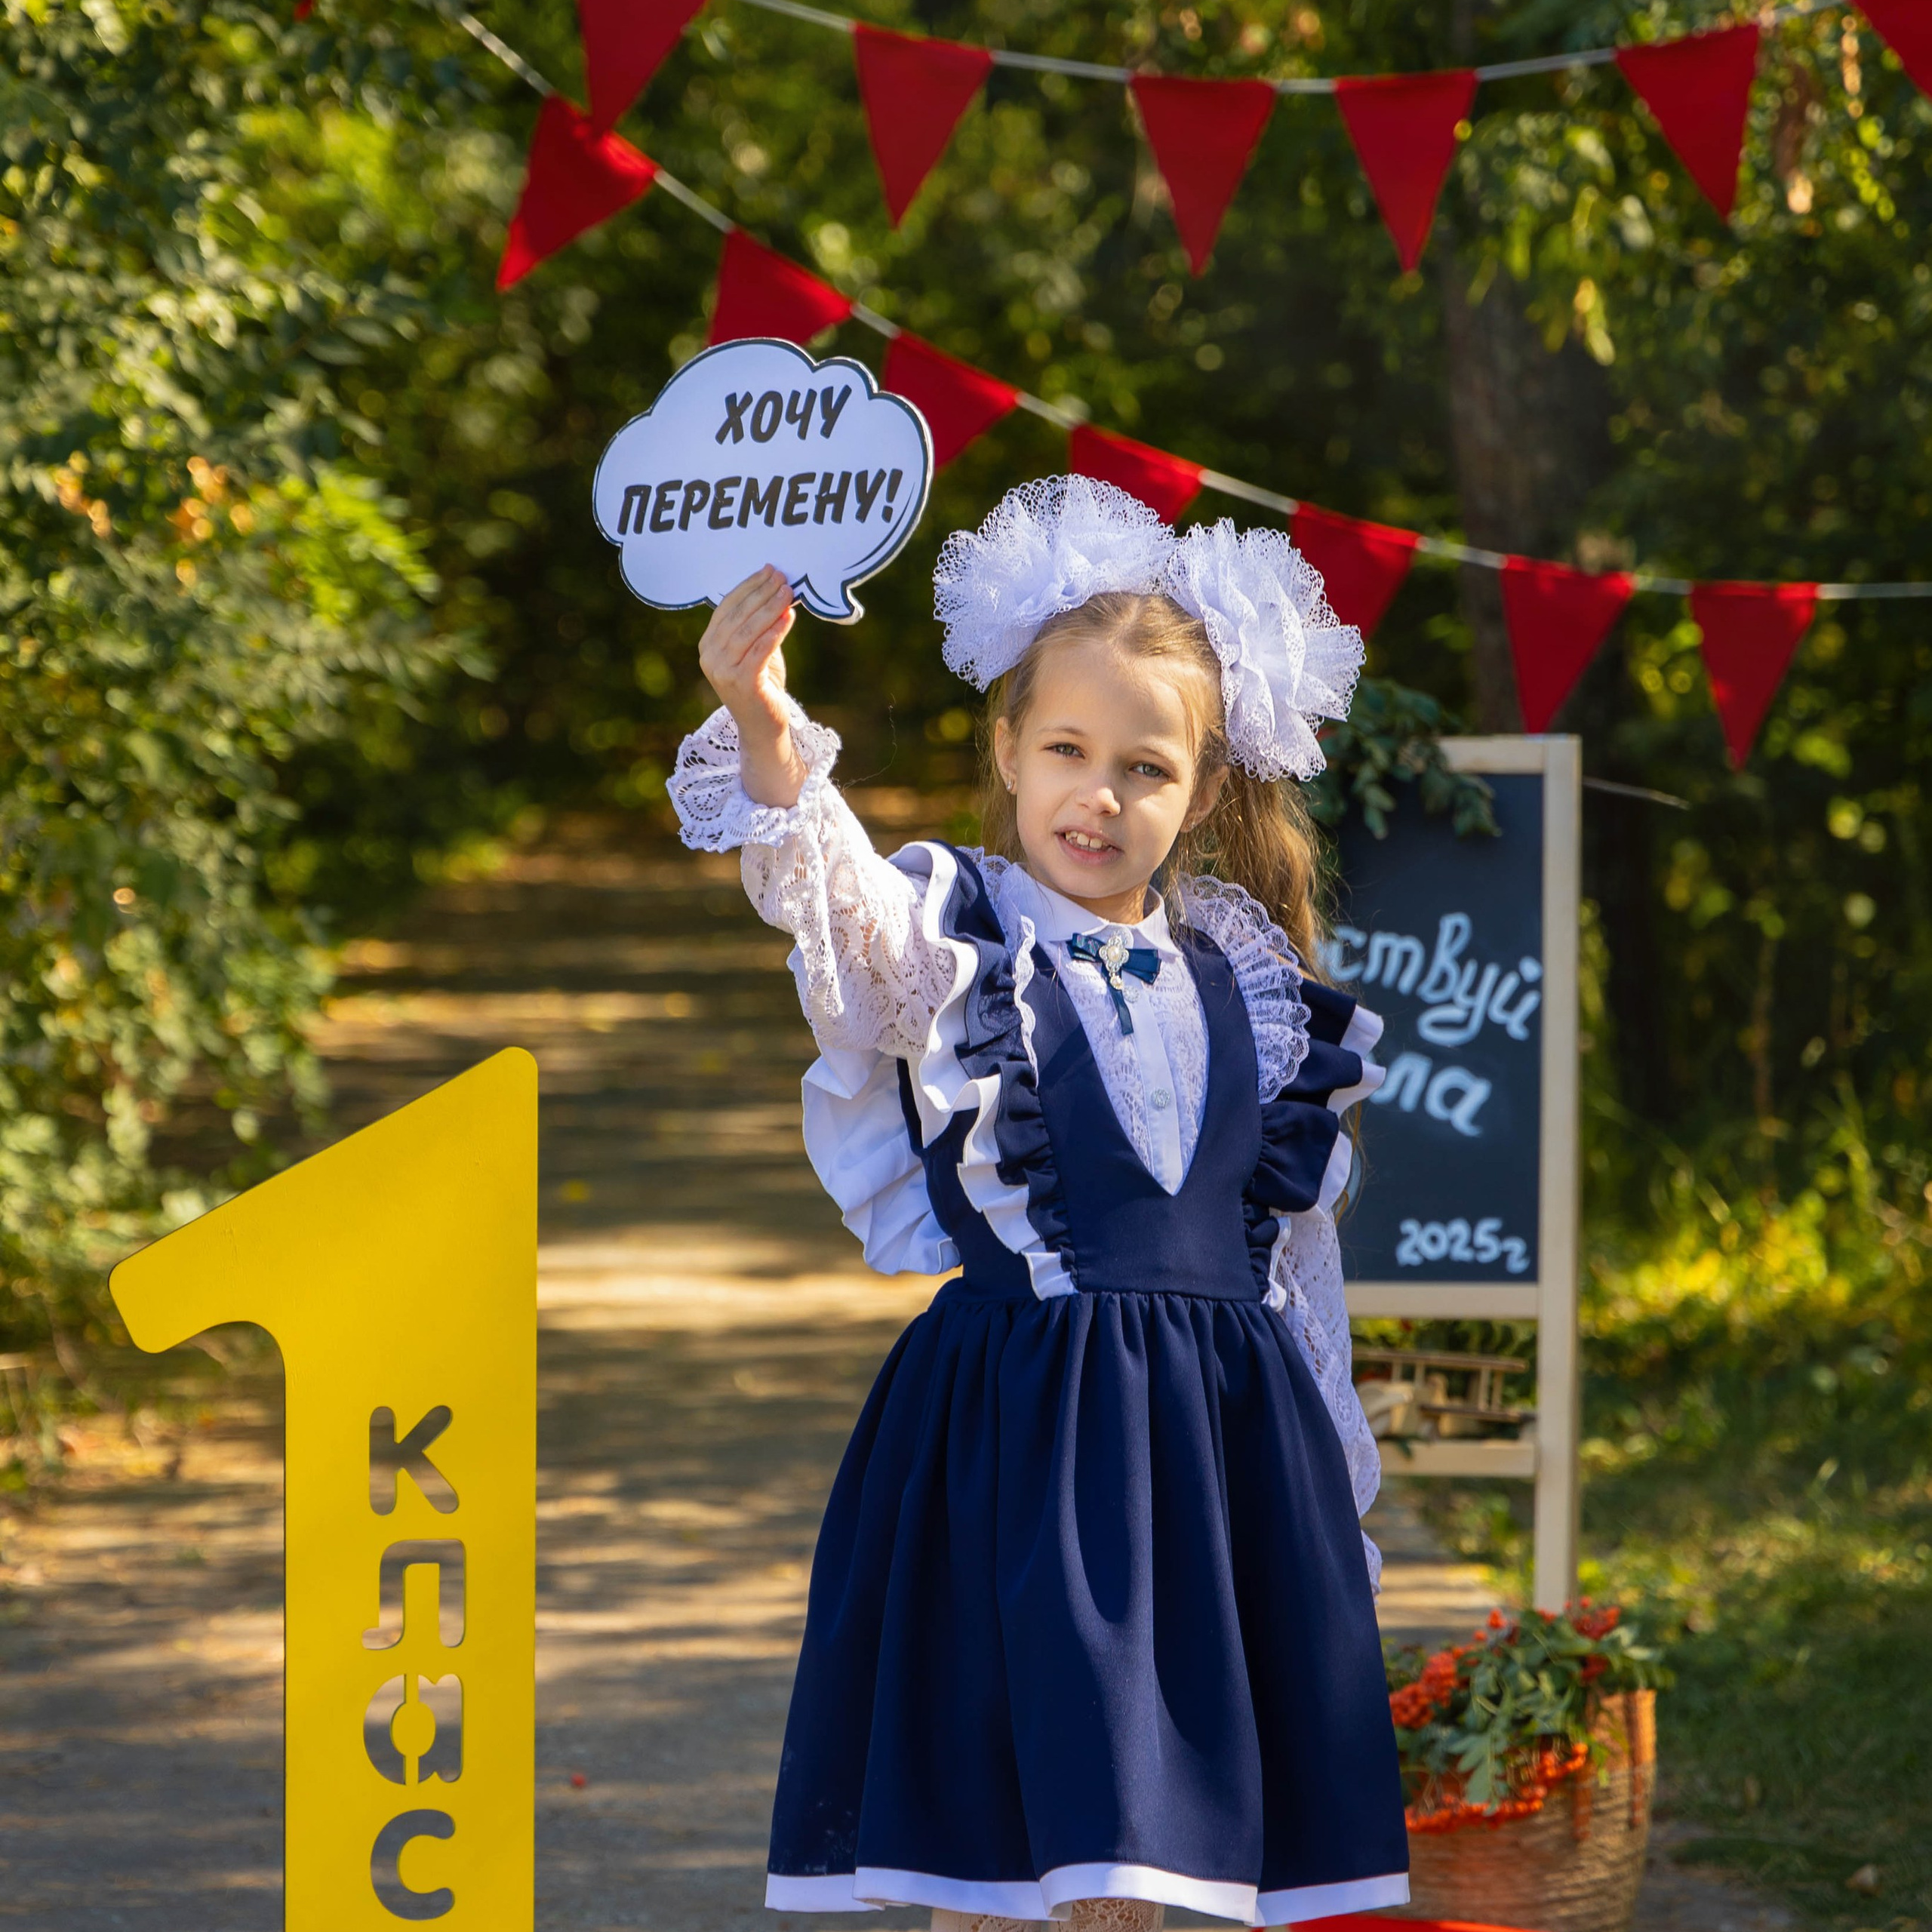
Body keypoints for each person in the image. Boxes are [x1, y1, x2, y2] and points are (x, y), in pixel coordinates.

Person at [667, 476, 1407, 1932]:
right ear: (1006, 752)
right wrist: (762, 719)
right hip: (1024, 1451)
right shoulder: (960, 942)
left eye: (1145, 765)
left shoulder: (1254, 996)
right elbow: (838, 913)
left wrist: (1335, 1512)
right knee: (1024, 1849)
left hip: (1216, 1467)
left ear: (1200, 793)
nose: (1101, 791)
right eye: (1066, 748)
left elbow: (1299, 1283)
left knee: (1183, 1870)